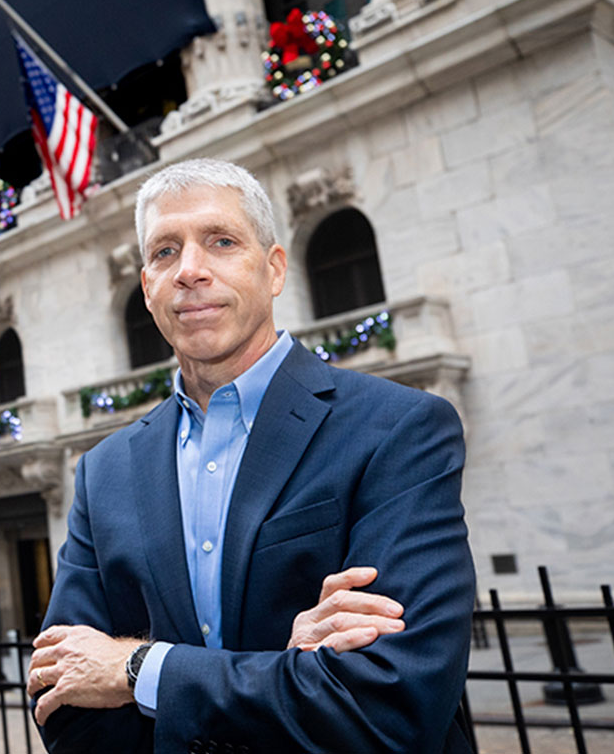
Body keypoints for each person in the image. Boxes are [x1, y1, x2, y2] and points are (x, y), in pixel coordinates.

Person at [27, 159, 475, 753]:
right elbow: (61, 690)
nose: (189, 270)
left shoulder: (399, 428)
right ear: (147, 288)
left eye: (221, 241)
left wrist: (137, 670)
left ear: (273, 270)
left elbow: (388, 701)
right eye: (164, 252)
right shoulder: (105, 470)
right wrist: (286, 675)